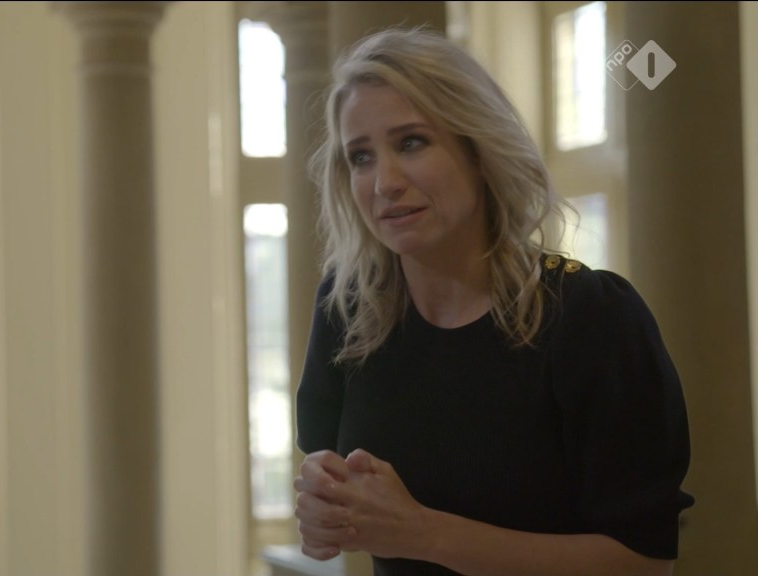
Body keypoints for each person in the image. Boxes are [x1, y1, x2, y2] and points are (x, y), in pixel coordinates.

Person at [293, 26, 693, 576]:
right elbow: (331, 474)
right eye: (360, 156)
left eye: (411, 143)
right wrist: (322, 504)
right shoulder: (346, 308)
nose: (384, 182)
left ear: (477, 149)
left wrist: (427, 535)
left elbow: (643, 564)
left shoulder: (592, 317)